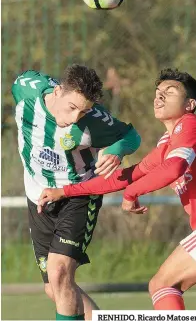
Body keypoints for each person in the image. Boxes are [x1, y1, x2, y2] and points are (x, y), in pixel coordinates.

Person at [38, 68, 196, 311]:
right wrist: (65, 191)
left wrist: (132, 193)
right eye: (158, 92)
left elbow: (175, 168)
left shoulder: (191, 124)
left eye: (169, 93)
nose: (159, 97)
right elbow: (126, 176)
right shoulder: (168, 143)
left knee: (162, 285)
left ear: (190, 104)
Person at [12, 64, 141, 320]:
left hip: (78, 195)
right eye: (72, 108)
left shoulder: (94, 120)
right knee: (54, 287)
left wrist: (116, 150)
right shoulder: (25, 90)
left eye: (83, 111)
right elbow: (30, 79)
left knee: (60, 273)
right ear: (58, 91)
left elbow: (131, 136)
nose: (75, 118)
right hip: (38, 195)